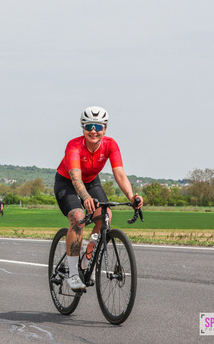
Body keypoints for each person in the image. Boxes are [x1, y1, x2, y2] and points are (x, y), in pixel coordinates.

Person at [54, 106, 144, 290]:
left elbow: (120, 174)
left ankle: (86, 260)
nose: (93, 131)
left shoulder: (110, 144)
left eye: (98, 126)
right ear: (83, 128)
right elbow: (75, 178)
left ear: (105, 128)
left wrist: (131, 196)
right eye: (89, 126)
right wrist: (86, 197)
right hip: (67, 182)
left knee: (105, 216)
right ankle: (72, 274)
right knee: (78, 217)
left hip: (91, 181)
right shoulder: (74, 145)